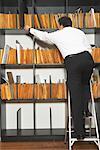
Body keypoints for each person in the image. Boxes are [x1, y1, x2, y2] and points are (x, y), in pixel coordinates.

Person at [24, 16, 94, 140]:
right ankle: (86, 110)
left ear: (60, 25)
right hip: (88, 59)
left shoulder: (59, 33)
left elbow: (44, 36)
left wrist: (30, 30)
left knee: (75, 96)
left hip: (73, 61)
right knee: (85, 85)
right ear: (71, 24)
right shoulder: (80, 32)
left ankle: (80, 133)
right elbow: (89, 48)